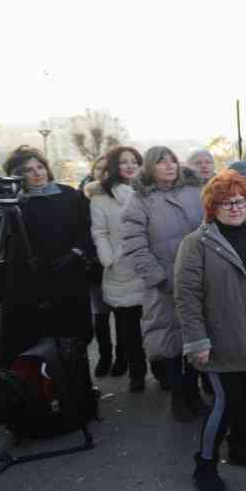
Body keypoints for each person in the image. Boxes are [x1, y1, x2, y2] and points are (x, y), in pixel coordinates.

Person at [174, 170, 246, 491]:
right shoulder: (196, 244)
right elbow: (186, 297)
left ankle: (239, 448)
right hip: (221, 343)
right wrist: (197, 341)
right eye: (225, 203)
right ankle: (205, 465)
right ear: (212, 207)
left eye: (239, 201)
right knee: (224, 405)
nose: (234, 208)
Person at [122, 146, 207, 422]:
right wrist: (158, 279)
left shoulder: (196, 191)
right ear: (149, 168)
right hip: (165, 284)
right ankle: (179, 397)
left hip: (200, 278)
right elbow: (135, 245)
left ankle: (194, 392)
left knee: (197, 338)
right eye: (162, 162)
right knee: (170, 341)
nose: (170, 166)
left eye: (173, 160)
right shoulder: (139, 200)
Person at [1, 146, 95, 364]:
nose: (37, 173)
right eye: (28, 170)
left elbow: (87, 229)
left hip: (72, 277)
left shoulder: (69, 194)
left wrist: (75, 253)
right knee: (46, 343)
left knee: (77, 338)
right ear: (16, 175)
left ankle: (82, 391)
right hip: (38, 284)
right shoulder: (18, 204)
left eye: (40, 167)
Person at [89, 146, 149, 392]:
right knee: (130, 329)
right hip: (121, 268)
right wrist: (108, 259)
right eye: (124, 162)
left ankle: (162, 369)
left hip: (149, 264)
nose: (130, 166)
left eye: (134, 161)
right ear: (114, 166)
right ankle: (137, 373)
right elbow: (99, 232)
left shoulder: (148, 191)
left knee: (156, 324)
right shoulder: (100, 197)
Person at [83, 156, 121, 378]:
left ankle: (122, 357)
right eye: (98, 168)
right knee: (101, 315)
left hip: (118, 262)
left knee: (123, 316)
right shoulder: (82, 196)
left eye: (107, 169)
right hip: (94, 264)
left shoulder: (120, 192)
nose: (102, 173)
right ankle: (105, 357)